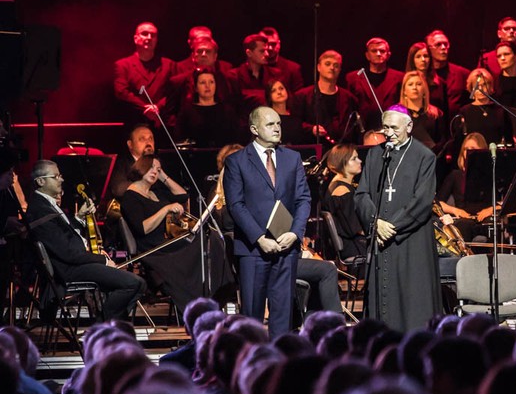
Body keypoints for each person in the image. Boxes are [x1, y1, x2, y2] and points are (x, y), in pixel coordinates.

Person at [223, 106, 312, 336]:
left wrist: (295, 233)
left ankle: (280, 363)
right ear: (254, 129)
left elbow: (303, 199)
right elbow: (236, 205)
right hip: (254, 249)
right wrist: (260, 238)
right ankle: (252, 364)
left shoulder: (292, 158)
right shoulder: (237, 161)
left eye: (279, 124)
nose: (277, 128)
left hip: (286, 246)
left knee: (283, 313)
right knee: (251, 314)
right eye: (270, 124)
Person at [354, 106, 440, 331]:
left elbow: (422, 201)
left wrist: (391, 227)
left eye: (394, 128)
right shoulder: (375, 154)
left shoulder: (424, 156)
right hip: (380, 237)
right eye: (385, 127)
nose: (388, 133)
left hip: (411, 239)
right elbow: (361, 194)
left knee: (411, 299)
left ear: (409, 127)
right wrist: (375, 222)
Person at [26, 160, 146, 321]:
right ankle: (104, 325)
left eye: (60, 175)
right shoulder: (39, 210)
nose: (61, 180)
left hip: (76, 264)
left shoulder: (48, 205)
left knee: (140, 284)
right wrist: (102, 259)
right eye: (55, 176)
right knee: (132, 283)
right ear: (40, 181)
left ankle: (110, 323)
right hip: (69, 269)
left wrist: (79, 218)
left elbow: (66, 235)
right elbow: (68, 253)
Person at [119, 155, 234, 312]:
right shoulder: (130, 196)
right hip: (156, 250)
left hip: (169, 244)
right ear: (141, 167)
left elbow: (182, 196)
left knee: (211, 237)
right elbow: (143, 228)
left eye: (158, 169)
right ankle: (203, 301)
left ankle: (217, 292)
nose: (154, 171)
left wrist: (163, 176)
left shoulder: (155, 193)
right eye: (151, 167)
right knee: (201, 241)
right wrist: (165, 209)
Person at [113, 22, 176, 128]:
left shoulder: (169, 65)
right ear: (135, 38)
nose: (149, 37)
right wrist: (146, 109)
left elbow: (174, 92)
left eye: (153, 35)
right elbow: (121, 92)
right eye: (145, 33)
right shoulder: (123, 65)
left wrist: (158, 107)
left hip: (163, 123)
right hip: (135, 123)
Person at [295, 50, 359, 145]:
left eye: (336, 65)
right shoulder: (302, 96)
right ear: (319, 67)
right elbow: (295, 125)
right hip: (312, 150)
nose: (332, 68)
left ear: (340, 70)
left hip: (342, 152)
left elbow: (355, 130)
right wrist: (311, 129)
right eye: (327, 64)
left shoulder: (349, 98)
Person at [345, 37, 405, 130]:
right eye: (374, 51)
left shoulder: (400, 77)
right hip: (362, 131)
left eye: (382, 51)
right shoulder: (353, 78)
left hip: (392, 130)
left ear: (388, 55)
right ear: (367, 55)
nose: (378, 54)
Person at [175, 69, 240, 148]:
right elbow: (181, 139)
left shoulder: (227, 111)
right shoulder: (186, 112)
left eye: (211, 82)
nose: (207, 86)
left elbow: (234, 139)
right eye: (203, 83)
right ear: (195, 87)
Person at [322, 143, 366, 259]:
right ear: (342, 163)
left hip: (356, 242)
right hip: (355, 246)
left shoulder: (341, 184)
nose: (360, 161)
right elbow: (355, 228)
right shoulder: (342, 191)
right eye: (354, 159)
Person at [228, 34, 282, 118]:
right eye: (262, 51)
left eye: (266, 50)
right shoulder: (234, 76)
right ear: (249, 53)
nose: (267, 54)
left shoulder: (275, 74)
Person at [459, 68, 512, 145]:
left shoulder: (500, 110)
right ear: (471, 88)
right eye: (476, 86)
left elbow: (508, 138)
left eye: (484, 84)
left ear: (490, 87)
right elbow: (459, 141)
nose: (480, 89)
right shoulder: (464, 112)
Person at [426, 30, 470, 117]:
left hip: (456, 125)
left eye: (446, 44)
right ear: (429, 48)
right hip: (432, 125)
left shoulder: (462, 74)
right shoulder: (423, 75)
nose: (443, 47)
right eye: (438, 44)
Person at [398, 70, 446, 150]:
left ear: (424, 90)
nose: (414, 88)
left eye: (419, 84)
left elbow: (442, 141)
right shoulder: (397, 115)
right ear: (404, 92)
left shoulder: (435, 114)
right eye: (410, 84)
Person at [406, 42, 447, 117]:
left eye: (426, 56)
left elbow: (444, 109)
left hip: (435, 122)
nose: (423, 60)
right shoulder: (405, 82)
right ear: (412, 60)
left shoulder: (439, 83)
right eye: (418, 56)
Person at [260, 26, 304, 94]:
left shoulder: (293, 69)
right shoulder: (254, 68)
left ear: (279, 44)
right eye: (266, 44)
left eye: (273, 44)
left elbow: (298, 98)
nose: (270, 48)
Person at [265, 79, 304, 145]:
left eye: (281, 88)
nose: (279, 92)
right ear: (269, 96)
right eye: (273, 91)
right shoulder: (267, 119)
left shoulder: (295, 117)